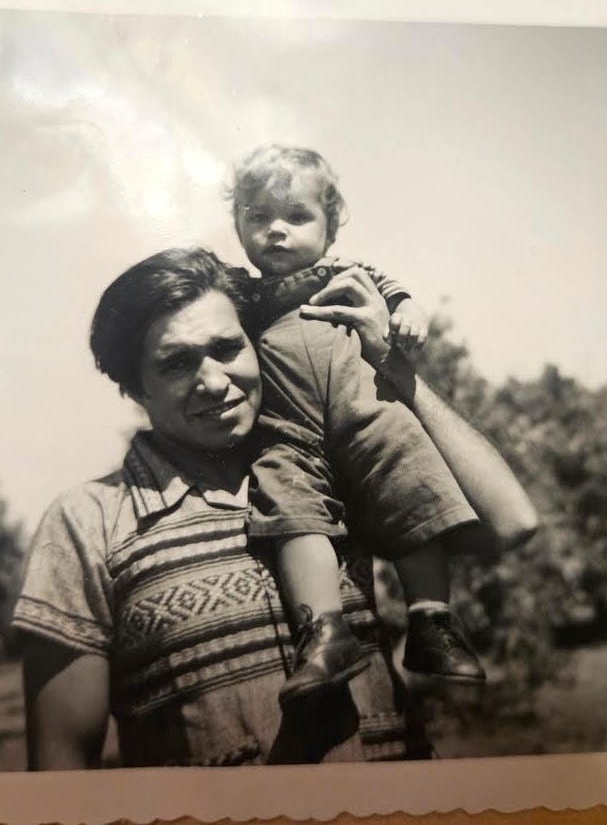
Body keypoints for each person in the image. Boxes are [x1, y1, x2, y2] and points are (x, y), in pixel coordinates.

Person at [13, 249, 428, 769]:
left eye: (227, 349)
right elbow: (61, 770)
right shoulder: (85, 523)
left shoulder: (337, 474)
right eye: (177, 363)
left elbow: (510, 522)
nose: (212, 381)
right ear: (132, 386)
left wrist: (393, 367)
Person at [228, 144, 538, 703]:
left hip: (367, 406)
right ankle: (323, 633)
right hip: (290, 432)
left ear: (330, 228)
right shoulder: (241, 295)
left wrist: (410, 315)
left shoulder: (351, 274)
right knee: (291, 510)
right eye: (258, 217)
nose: (276, 230)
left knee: (411, 483)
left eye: (296, 216)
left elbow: (401, 301)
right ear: (238, 225)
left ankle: (431, 621)